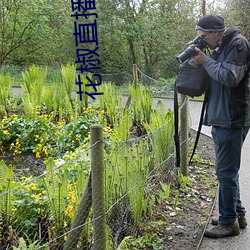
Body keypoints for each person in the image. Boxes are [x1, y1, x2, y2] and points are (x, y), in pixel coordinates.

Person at [192, 15, 250, 238]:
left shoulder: (238, 44)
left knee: (225, 171)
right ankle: (237, 214)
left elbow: (229, 77)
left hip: (232, 118)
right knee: (227, 171)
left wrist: (205, 61)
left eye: (204, 37)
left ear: (216, 32)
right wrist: (202, 59)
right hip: (222, 117)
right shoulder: (221, 46)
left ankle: (228, 223)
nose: (203, 41)